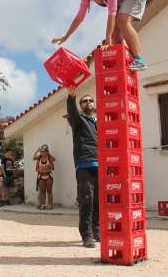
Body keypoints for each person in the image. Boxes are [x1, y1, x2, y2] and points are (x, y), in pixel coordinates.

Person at [52, 0, 148, 70]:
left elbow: (112, 12)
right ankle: (124, 61)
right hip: (122, 0)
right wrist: (66, 36)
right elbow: (79, 17)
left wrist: (108, 38)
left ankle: (139, 60)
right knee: (114, 34)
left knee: (122, 21)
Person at [66, 85, 99, 248]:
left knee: (98, 200)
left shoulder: (99, 121)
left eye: (90, 100)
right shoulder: (78, 119)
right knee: (87, 200)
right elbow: (71, 112)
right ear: (81, 106)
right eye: (84, 101)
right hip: (84, 164)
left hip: (101, 164)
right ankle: (87, 235)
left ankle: (97, 231)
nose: (88, 102)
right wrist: (71, 97)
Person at [33, 145, 55, 211]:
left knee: (49, 191)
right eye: (42, 151)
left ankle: (50, 204)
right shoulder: (39, 158)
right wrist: (41, 171)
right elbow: (36, 168)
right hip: (41, 176)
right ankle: (43, 204)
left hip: (48, 176)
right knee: (42, 191)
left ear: (47, 151)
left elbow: (53, 168)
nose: (43, 153)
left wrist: (47, 169)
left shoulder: (49, 158)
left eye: (45, 151)